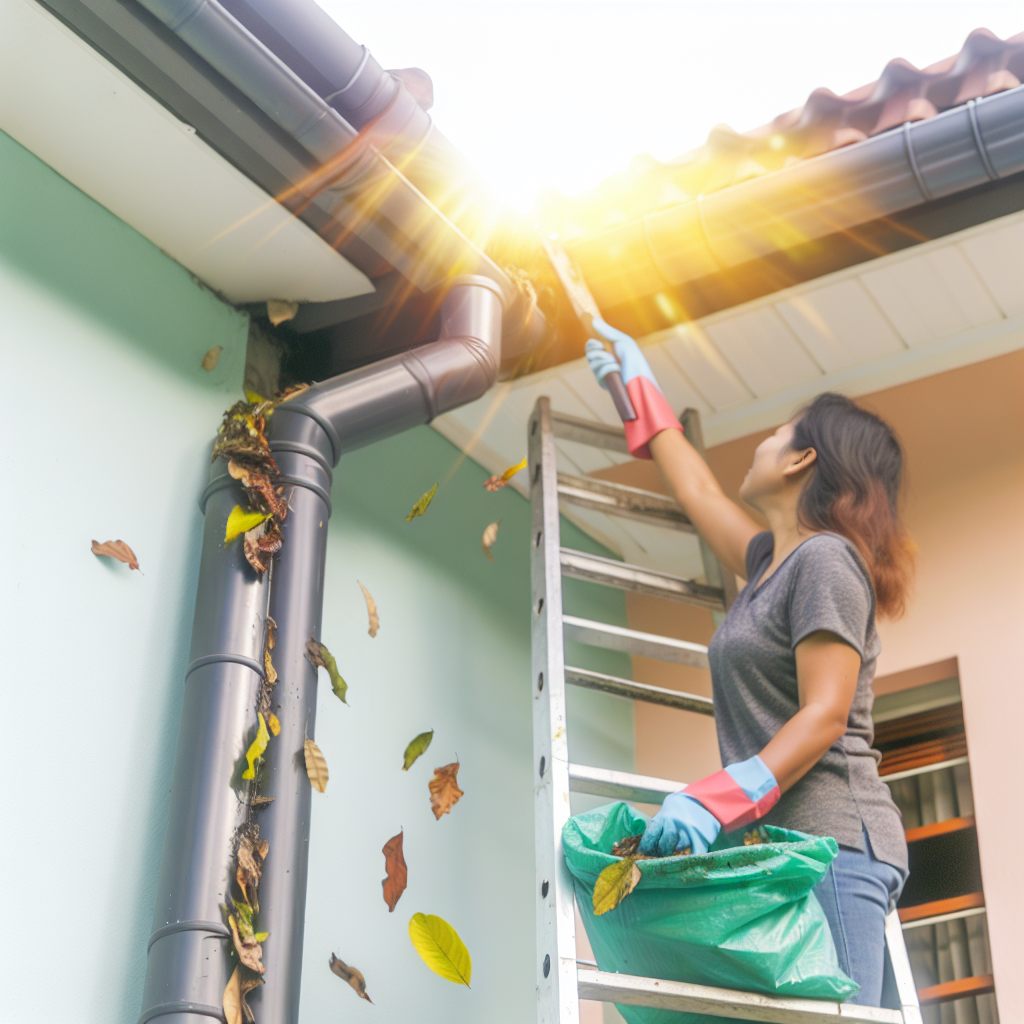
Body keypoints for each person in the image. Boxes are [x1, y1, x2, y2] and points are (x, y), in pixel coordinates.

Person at [585, 320, 914, 1007]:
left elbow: (825, 714)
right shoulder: (773, 561)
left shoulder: (827, 562)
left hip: (832, 843)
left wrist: (717, 798)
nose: (761, 442)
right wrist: (637, 392)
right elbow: (700, 495)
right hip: (780, 847)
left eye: (776, 432)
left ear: (801, 460)